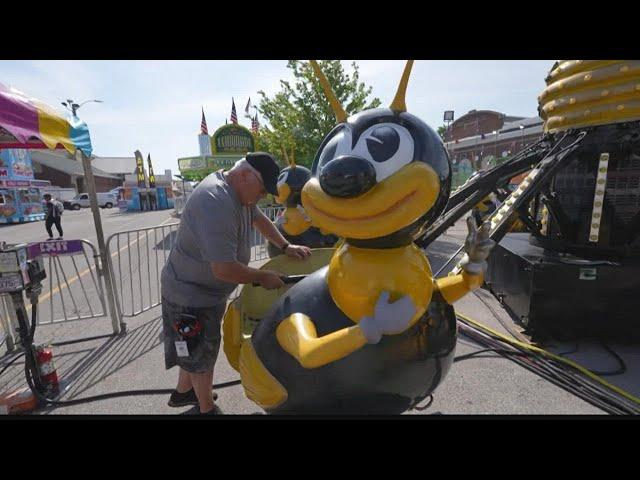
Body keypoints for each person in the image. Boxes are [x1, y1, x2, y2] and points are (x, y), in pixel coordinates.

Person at [160, 152, 312, 415]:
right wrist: (262, 277)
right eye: (263, 189)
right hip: (190, 295)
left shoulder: (240, 193)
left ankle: (185, 392)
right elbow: (223, 269)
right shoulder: (214, 201)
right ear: (244, 176)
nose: (263, 196)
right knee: (201, 353)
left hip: (207, 292)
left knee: (196, 346)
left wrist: (285, 245)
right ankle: (207, 409)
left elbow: (259, 219)